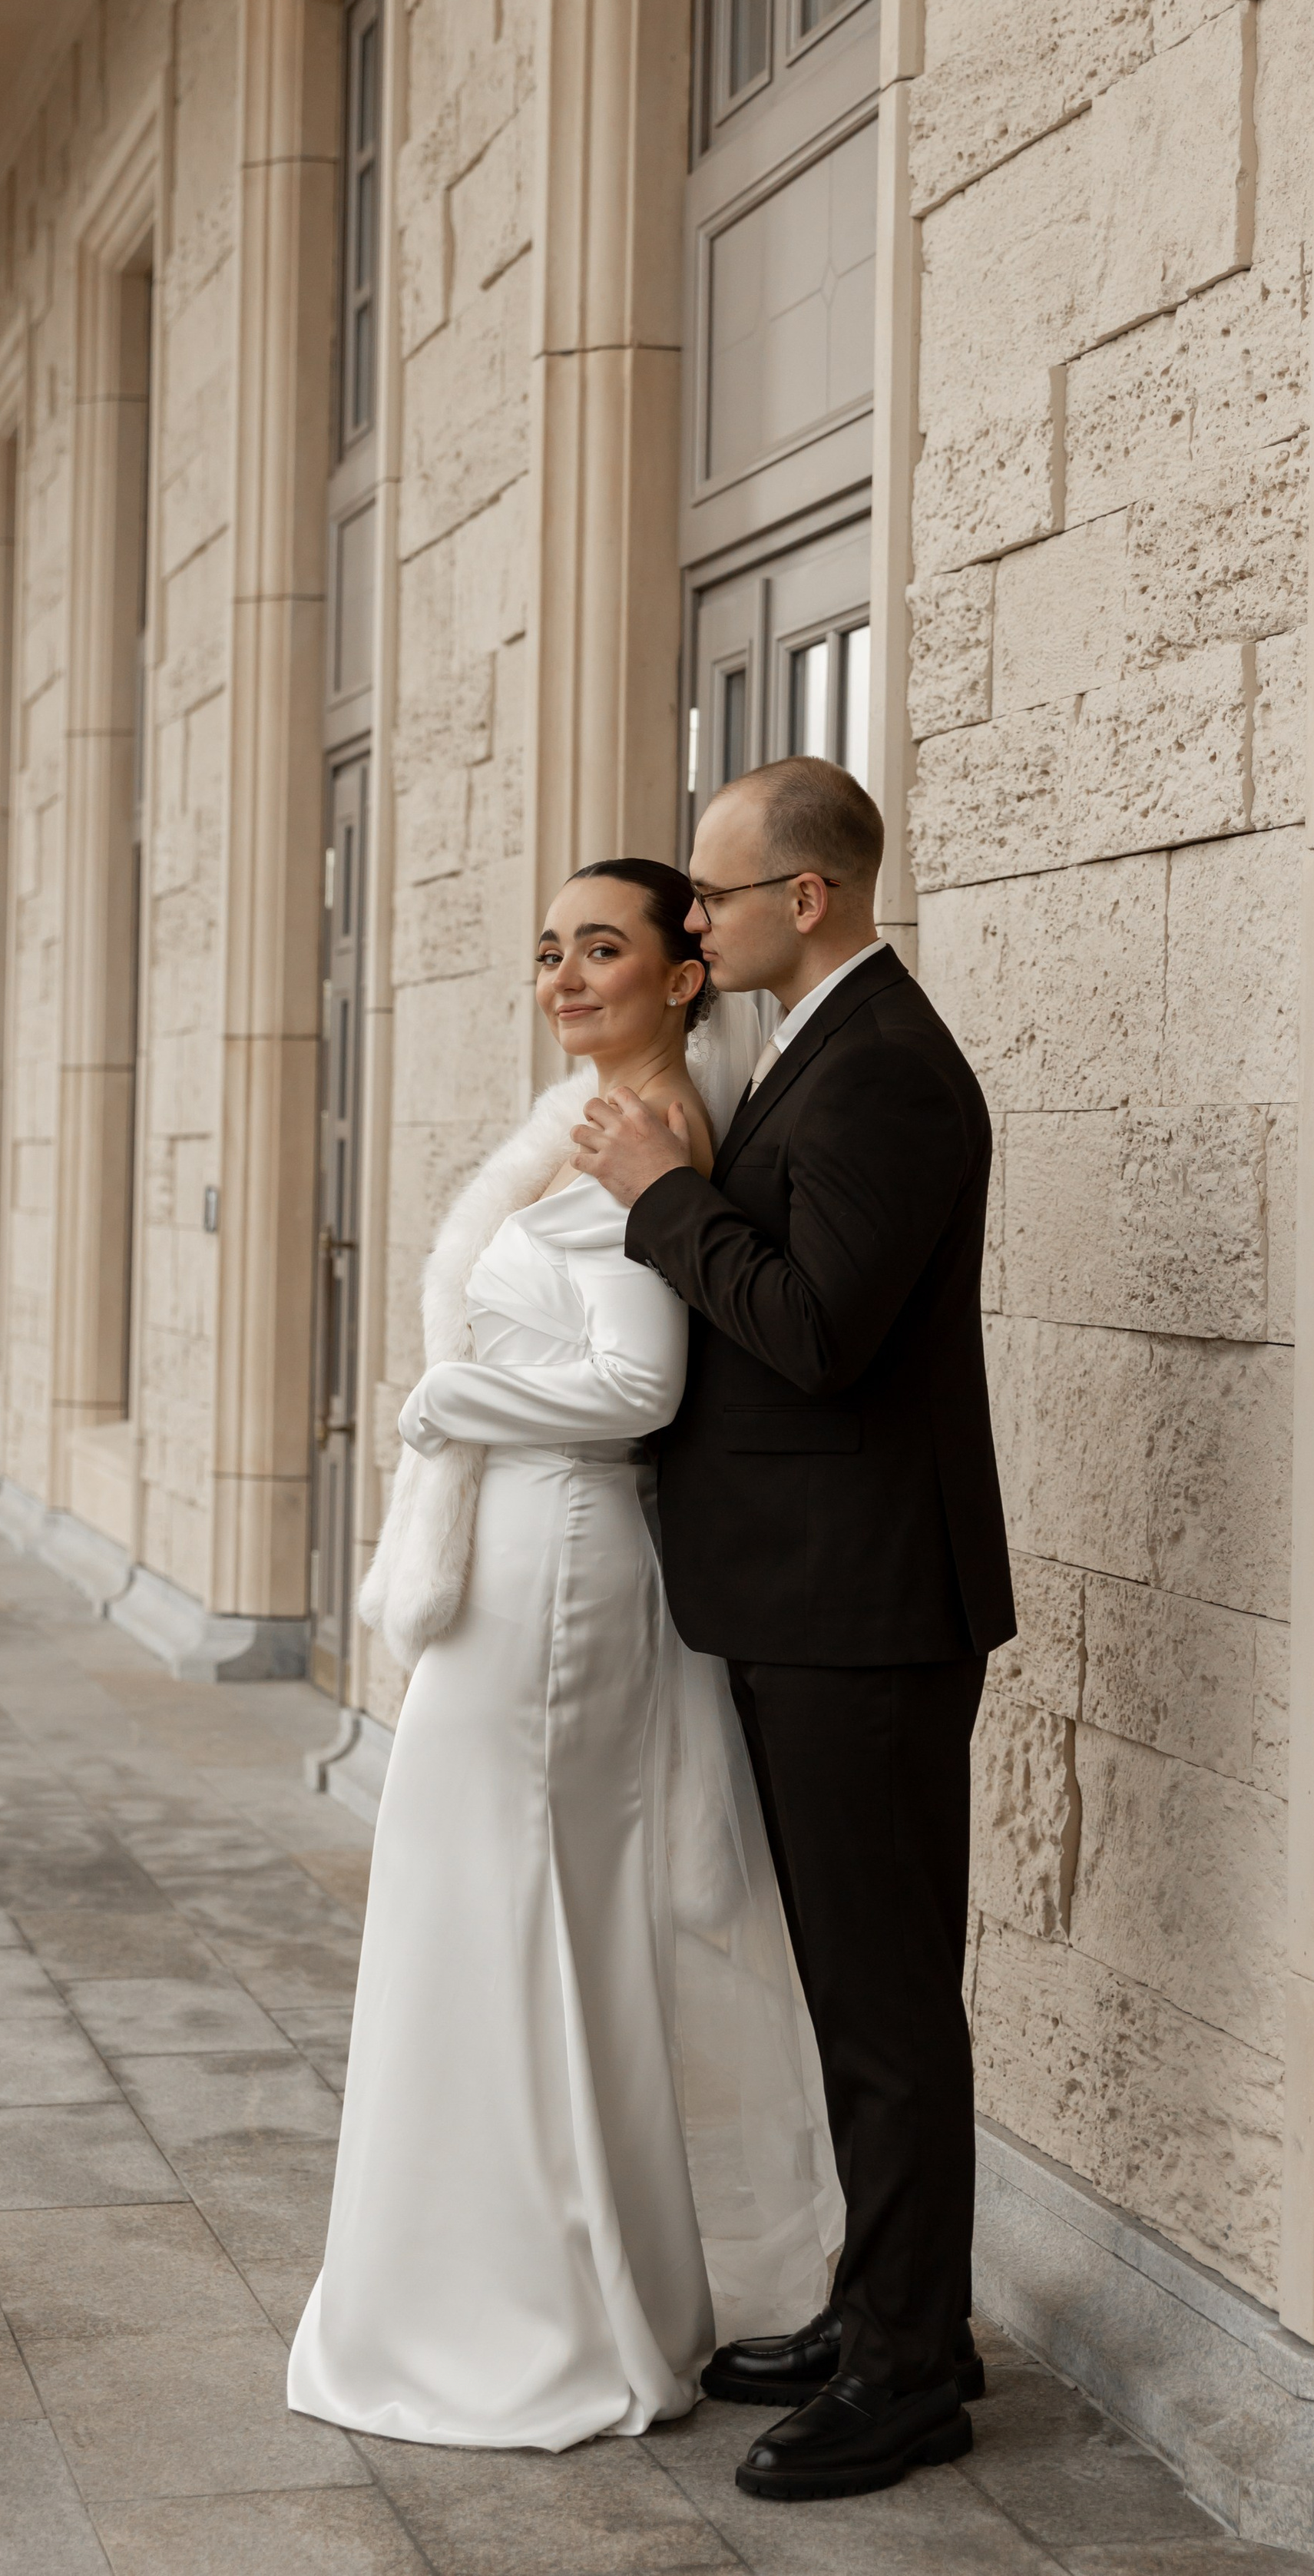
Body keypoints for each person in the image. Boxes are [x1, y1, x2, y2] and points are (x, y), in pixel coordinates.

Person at [286, 858, 835, 2452]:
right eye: (549, 951)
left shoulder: (654, 1141)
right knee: (473, 1914)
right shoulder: (579, 1125)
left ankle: (542, 2322)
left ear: (683, 972)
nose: (565, 974)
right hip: (507, 1556)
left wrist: (443, 1400)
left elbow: (636, 1389)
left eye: (602, 948)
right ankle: (510, 2292)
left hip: (560, 1572)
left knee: (522, 1911)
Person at [572, 755, 1014, 2505]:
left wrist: (659, 1202)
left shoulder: (886, 1071)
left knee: (888, 2005)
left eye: (714, 895)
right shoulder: (815, 1048)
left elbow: (817, 1328)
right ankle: (886, 2309)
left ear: (803, 899)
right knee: (857, 1992)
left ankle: (910, 2374)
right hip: (814, 1597)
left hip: (864, 1613)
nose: (692, 918)